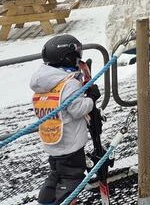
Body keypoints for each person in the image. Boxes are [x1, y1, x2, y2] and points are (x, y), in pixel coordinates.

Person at [30, 34, 99, 205]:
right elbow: (77, 109)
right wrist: (91, 99)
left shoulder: (44, 81)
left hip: (52, 141)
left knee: (56, 173)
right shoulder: (69, 83)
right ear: (68, 58)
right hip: (70, 143)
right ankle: (63, 200)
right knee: (73, 176)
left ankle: (45, 200)